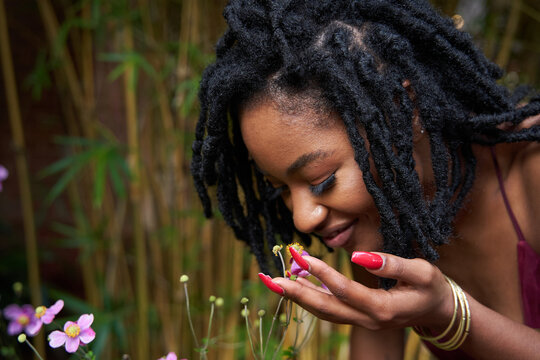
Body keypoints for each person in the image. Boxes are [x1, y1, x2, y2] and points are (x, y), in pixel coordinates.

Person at [191, 0, 540, 358]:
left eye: (322, 181)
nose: (302, 218)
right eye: (278, 189)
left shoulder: (532, 166)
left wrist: (451, 312)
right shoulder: (387, 222)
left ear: (401, 111)